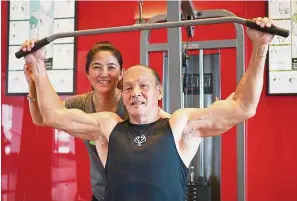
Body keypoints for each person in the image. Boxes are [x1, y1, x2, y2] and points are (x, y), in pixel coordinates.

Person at [23, 17, 275, 201]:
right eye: (129, 87)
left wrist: (261, 46)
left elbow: (242, 107)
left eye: (144, 85)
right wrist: (37, 64)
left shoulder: (179, 125)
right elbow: (53, 115)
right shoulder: (107, 126)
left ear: (159, 92)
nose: (135, 93)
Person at [22, 40, 170, 201]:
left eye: (111, 67)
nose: (104, 73)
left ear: (122, 74)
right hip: (101, 194)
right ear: (87, 73)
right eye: (96, 67)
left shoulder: (132, 102)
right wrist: (33, 82)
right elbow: (42, 119)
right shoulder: (80, 104)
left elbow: (163, 120)